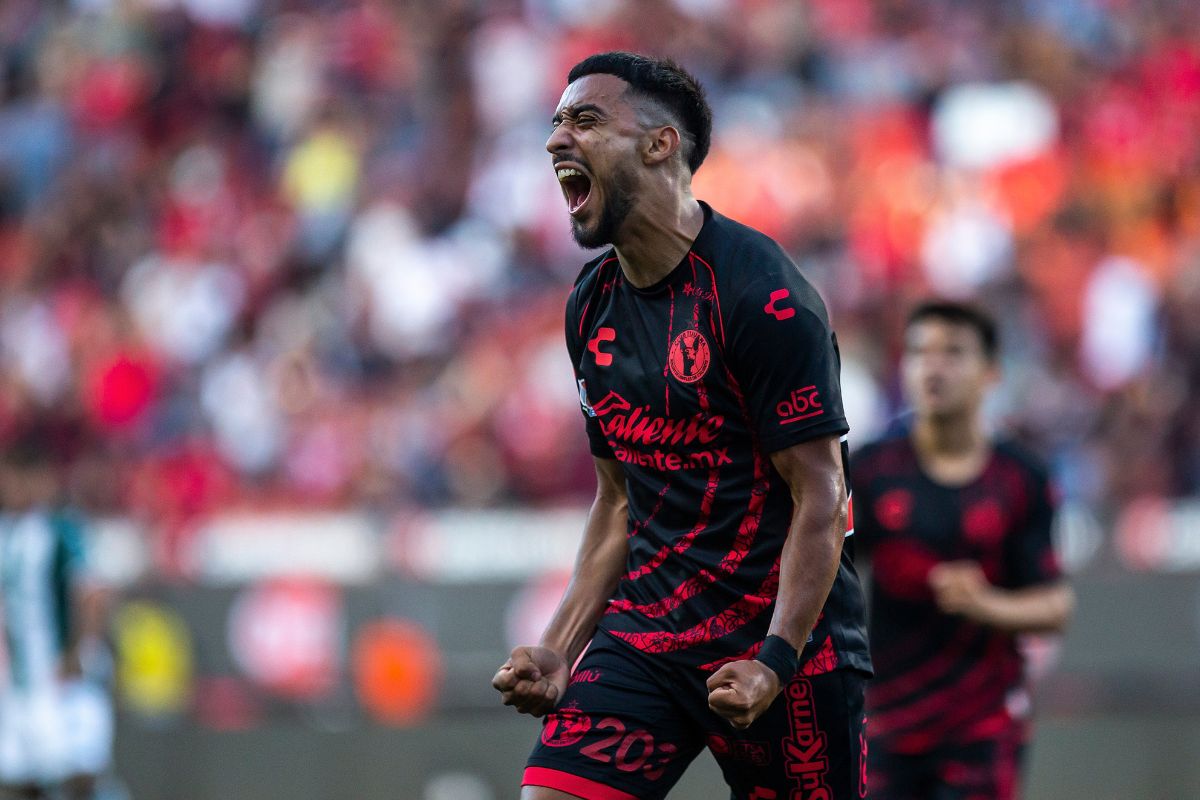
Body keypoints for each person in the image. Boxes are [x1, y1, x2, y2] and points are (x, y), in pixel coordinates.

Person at [492, 52, 871, 800]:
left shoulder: (763, 297)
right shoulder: (589, 308)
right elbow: (617, 502)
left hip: (782, 647)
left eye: (586, 120)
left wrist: (776, 658)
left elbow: (822, 496)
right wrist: (563, 647)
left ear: (660, 145)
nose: (556, 140)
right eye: (557, 122)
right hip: (648, 637)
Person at [850, 301, 1075, 800]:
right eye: (918, 352)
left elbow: (1055, 606)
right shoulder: (869, 470)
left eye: (953, 352)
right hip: (889, 716)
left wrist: (985, 604)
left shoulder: (1021, 479)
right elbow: (825, 563)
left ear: (991, 373)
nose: (933, 366)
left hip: (982, 721)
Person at [0, 432, 113, 800]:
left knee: (76, 776)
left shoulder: (61, 529)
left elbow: (92, 594)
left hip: (58, 677)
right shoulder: (7, 533)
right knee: (19, 781)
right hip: (18, 683)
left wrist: (78, 652)